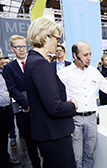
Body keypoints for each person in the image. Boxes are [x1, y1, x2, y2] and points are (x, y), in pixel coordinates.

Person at [25, 17, 78, 168]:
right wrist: (73, 105)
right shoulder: (39, 64)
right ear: (45, 36)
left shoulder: (33, 61)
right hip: (53, 134)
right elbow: (54, 107)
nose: (58, 42)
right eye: (57, 38)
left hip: (50, 133)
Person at [3, 35, 41, 168]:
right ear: (12, 49)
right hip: (23, 111)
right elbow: (12, 89)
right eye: (17, 47)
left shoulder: (35, 62)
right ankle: (35, 165)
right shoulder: (9, 68)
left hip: (40, 110)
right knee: (30, 143)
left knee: (43, 140)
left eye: (23, 46)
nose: (21, 49)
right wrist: (27, 104)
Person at [0, 53, 21, 167]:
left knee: (3, 137)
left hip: (6, 109)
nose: (1, 61)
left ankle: (5, 159)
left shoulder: (2, 73)